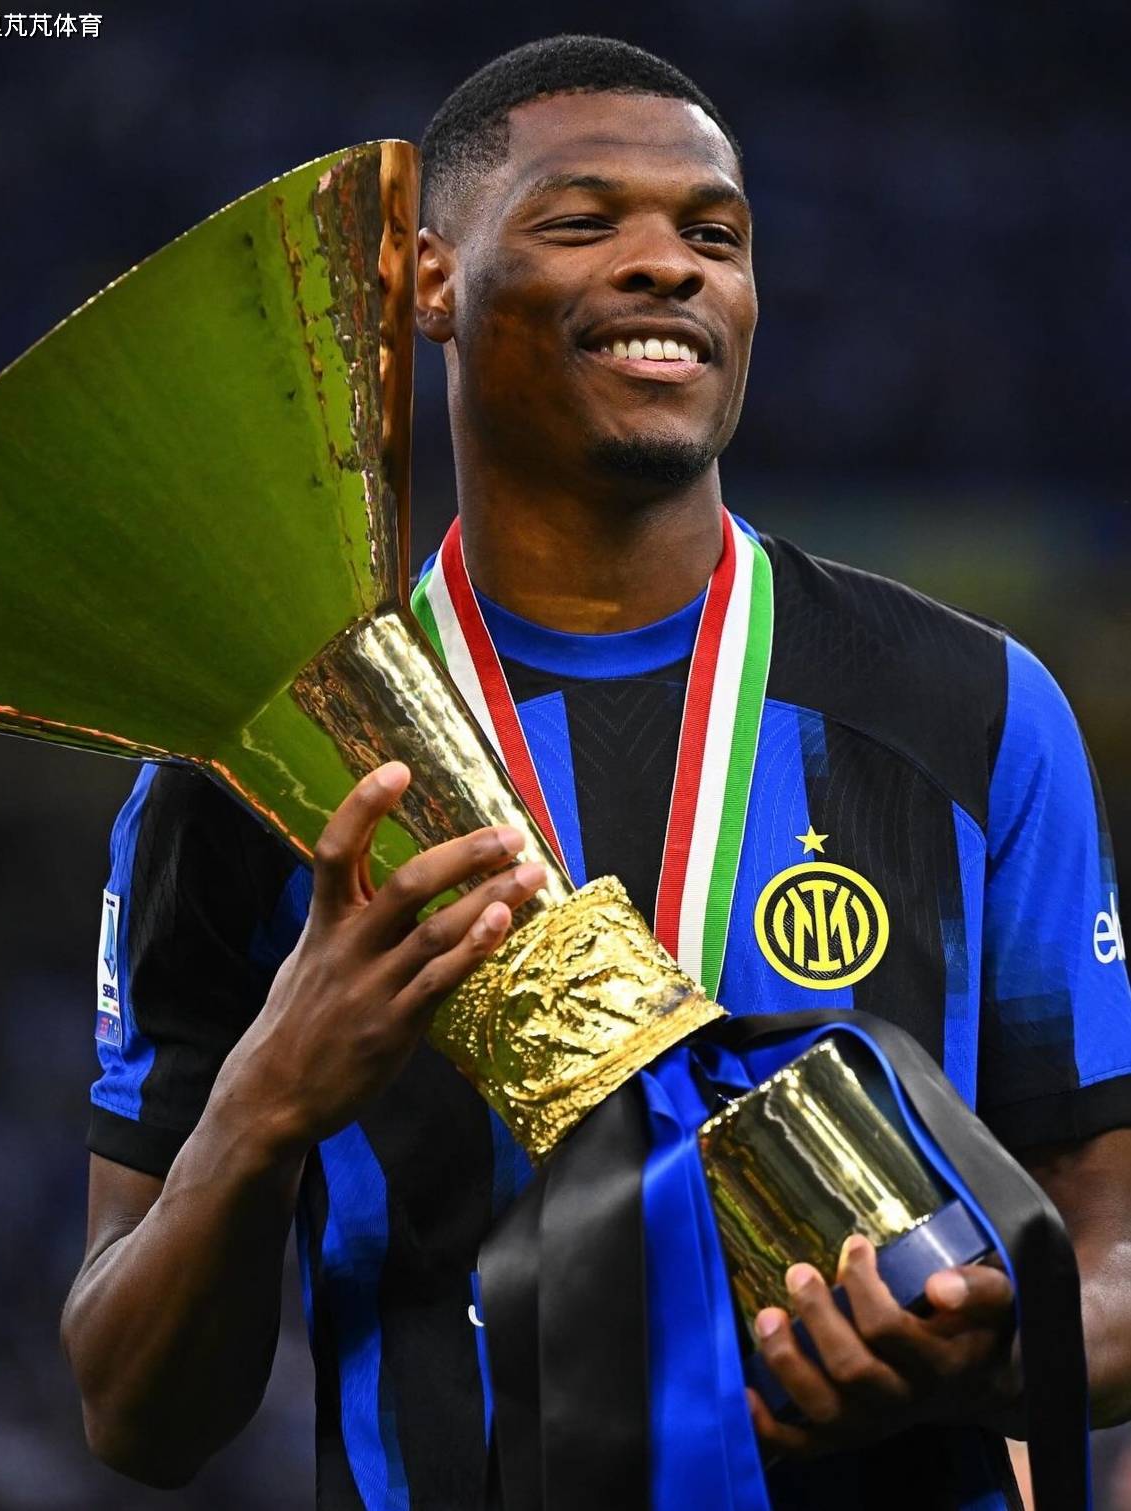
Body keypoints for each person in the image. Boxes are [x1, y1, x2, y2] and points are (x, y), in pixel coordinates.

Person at [61, 35, 1131, 1510]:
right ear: (428, 282)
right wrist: (264, 1104)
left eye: (715, 236)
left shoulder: (974, 709)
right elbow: (134, 1414)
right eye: (582, 221)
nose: (668, 265)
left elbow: (1110, 1243)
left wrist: (985, 1339)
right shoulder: (261, 776)